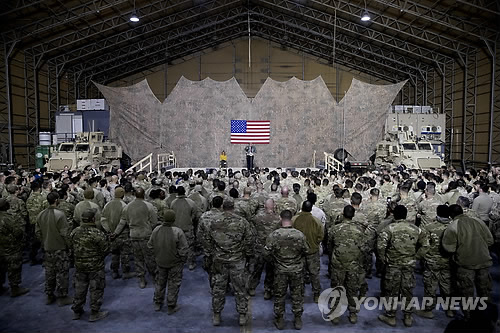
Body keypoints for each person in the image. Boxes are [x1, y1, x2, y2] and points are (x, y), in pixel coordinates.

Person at [377, 205, 429, 327]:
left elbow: (380, 246)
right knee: (407, 289)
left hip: (393, 264)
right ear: (406, 215)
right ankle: (408, 316)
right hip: (409, 264)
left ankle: (391, 316)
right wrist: (416, 257)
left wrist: (384, 259)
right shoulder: (416, 229)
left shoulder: (389, 228)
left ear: (394, 215)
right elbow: (425, 245)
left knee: (391, 290)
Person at [205, 199, 254, 327]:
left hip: (219, 260)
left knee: (218, 289)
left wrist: (211, 254)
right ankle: (242, 315)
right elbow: (249, 239)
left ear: (222, 207)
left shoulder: (214, 221)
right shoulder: (242, 222)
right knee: (240, 289)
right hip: (237, 260)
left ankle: (217, 314)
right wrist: (247, 255)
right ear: (234, 207)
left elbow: (207, 239)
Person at [442, 204, 494, 320]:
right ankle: (487, 317)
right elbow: (490, 240)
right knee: (485, 291)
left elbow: (449, 248)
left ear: (451, 215)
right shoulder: (478, 221)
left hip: (465, 264)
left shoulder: (453, 226)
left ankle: (469, 318)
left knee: (467, 293)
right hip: (484, 261)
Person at [265, 209, 308, 330]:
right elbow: (306, 251)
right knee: (297, 294)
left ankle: (280, 319)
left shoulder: (274, 235)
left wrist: (275, 261)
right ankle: (297, 318)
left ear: (280, 218)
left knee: (279, 295)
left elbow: (266, 253)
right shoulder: (299, 235)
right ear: (292, 219)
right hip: (297, 269)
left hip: (280, 270)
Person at [328, 205, 367, 324]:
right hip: (354, 264)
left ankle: (336, 313)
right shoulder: (359, 230)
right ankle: (353, 313)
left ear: (343, 214)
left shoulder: (334, 229)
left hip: (338, 263)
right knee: (352, 288)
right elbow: (364, 248)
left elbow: (329, 246)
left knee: (337, 288)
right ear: (353, 215)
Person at [70, 208, 110, 322]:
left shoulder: (74, 231)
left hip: (79, 265)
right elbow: (106, 249)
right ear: (93, 219)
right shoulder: (97, 233)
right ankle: (94, 312)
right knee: (96, 289)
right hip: (95, 266)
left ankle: (77, 311)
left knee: (79, 288)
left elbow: (70, 246)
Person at [114, 187, 158, 289]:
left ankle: (141, 279)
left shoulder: (128, 207)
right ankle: (154, 277)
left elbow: (123, 222)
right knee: (150, 257)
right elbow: (154, 221)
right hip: (146, 235)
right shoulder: (149, 206)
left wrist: (115, 233)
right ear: (143, 195)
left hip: (133, 235)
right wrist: (148, 228)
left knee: (138, 258)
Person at [416, 205, 454, 319]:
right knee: (447, 285)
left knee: (430, 285)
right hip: (448, 260)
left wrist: (418, 257)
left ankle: (428, 310)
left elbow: (424, 244)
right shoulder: (453, 226)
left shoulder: (429, 227)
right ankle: (449, 309)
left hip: (432, 260)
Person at [36, 192, 72, 306]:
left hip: (47, 248)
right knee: (62, 272)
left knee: (49, 272)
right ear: (57, 200)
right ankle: (62, 297)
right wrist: (69, 246)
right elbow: (65, 233)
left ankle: (49, 295)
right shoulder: (60, 215)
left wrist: (44, 242)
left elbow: (37, 232)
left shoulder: (40, 214)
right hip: (60, 248)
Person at [148, 209, 188, 314]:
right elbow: (184, 249)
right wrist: (182, 260)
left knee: (160, 283)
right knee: (173, 284)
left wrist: (157, 256)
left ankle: (158, 302)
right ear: (174, 219)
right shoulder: (178, 231)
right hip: (175, 263)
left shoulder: (156, 230)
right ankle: (171, 306)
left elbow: (150, 246)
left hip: (160, 261)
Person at [248, 198, 281, 299]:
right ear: (274, 206)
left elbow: (251, 229)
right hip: (271, 249)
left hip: (259, 248)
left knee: (256, 269)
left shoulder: (257, 217)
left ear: (264, 206)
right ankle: (268, 290)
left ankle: (252, 288)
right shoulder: (278, 219)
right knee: (270, 271)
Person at [292, 200, 323, 303]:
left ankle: (299, 294)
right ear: (310, 209)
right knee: (314, 274)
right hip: (312, 252)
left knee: (298, 275)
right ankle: (316, 294)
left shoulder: (294, 219)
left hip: (298, 252)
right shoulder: (316, 221)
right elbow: (320, 237)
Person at [101, 187, 133, 279]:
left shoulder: (107, 205)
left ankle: (114, 271)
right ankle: (125, 272)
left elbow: (103, 219)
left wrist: (109, 231)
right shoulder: (124, 206)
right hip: (122, 234)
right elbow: (123, 221)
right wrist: (116, 232)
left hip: (111, 234)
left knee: (114, 254)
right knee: (124, 254)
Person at [0, 198, 30, 297]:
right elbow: (18, 232)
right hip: (11, 247)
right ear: (6, 206)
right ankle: (15, 288)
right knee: (14, 267)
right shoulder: (9, 218)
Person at [170, 186, 198, 270]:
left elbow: (171, 214)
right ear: (185, 191)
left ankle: (178, 262)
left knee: (177, 246)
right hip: (188, 227)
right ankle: (191, 263)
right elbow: (194, 215)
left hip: (176, 228)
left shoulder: (173, 202)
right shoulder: (191, 202)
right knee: (190, 246)